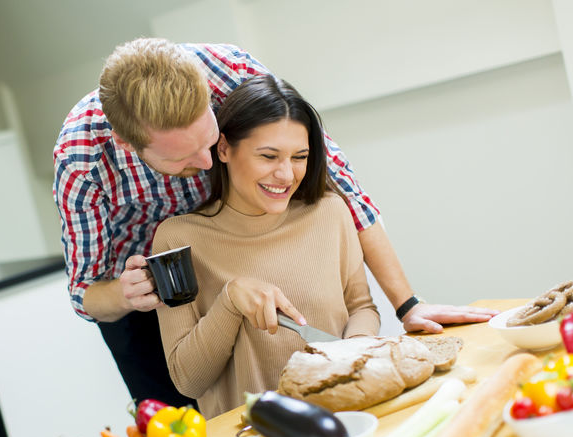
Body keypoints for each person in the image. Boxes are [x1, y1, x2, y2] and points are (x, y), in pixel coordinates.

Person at [52, 38, 497, 408]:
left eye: (211, 142)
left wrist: (407, 305)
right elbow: (84, 292)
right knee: (181, 424)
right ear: (127, 143)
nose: (209, 162)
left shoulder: (231, 71)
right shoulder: (80, 158)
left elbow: (347, 192)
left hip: (252, 237)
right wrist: (126, 293)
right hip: (148, 291)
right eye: (184, 159)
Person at [152, 75, 380, 418]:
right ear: (225, 148)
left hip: (346, 416)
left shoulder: (329, 212)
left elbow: (361, 306)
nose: (287, 175)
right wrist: (229, 301)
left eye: (299, 156)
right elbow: (188, 381)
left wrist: (353, 350)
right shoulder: (177, 239)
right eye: (269, 156)